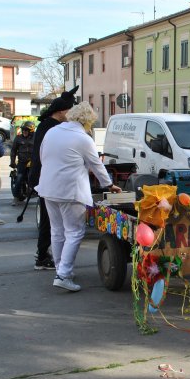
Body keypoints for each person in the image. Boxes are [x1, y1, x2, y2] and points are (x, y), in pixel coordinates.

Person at [35, 102, 121, 292]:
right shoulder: (83, 138)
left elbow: (43, 157)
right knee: (74, 232)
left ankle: (60, 269)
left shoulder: (52, 132)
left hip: (49, 188)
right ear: (87, 121)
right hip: (71, 191)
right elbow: (96, 165)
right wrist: (109, 185)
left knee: (57, 231)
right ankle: (63, 274)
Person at [28, 86, 78, 271]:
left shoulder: (49, 125)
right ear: (61, 111)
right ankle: (42, 256)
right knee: (50, 222)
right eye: (69, 110)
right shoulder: (51, 127)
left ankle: (46, 255)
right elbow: (41, 156)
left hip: (47, 179)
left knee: (52, 222)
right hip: (48, 179)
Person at [9, 121, 35, 205]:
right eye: (23, 129)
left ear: (31, 131)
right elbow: (13, 150)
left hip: (33, 162)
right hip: (22, 162)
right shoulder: (18, 137)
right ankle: (15, 197)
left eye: (26, 130)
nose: (24, 131)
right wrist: (12, 161)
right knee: (19, 178)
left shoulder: (36, 137)